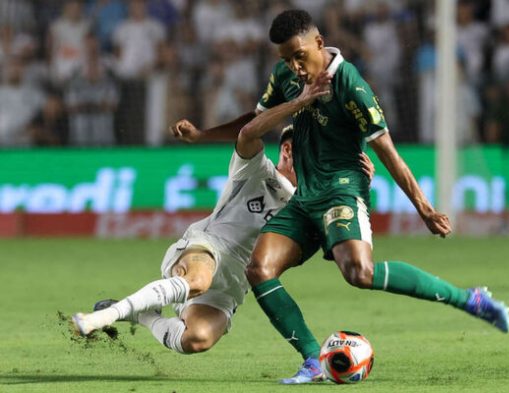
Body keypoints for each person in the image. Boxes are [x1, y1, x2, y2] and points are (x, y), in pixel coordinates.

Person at [241, 10, 509, 384]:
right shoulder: (286, 78)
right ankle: (311, 360)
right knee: (259, 270)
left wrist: (424, 208)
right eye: (286, 59)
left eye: (300, 56)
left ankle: (469, 299)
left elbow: (387, 151)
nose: (295, 66)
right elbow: (254, 124)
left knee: (359, 273)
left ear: (319, 43)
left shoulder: (350, 84)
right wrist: (297, 101)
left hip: (341, 189)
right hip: (304, 196)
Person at [71, 82, 375, 355]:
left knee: (196, 340)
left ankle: (141, 314)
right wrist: (298, 103)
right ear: (288, 149)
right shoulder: (256, 169)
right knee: (198, 281)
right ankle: (101, 318)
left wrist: (358, 190)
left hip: (234, 283)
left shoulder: (313, 204)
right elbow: (248, 132)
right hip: (207, 246)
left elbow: (342, 248)